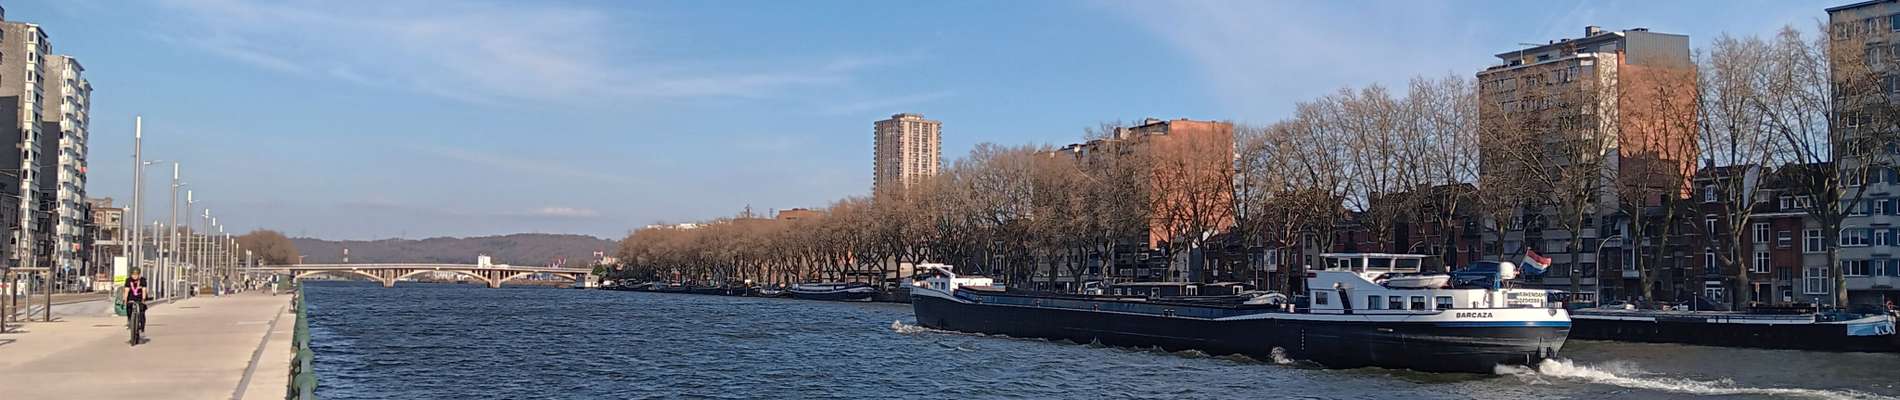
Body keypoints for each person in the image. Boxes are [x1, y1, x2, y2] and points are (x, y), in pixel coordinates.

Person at [124, 269, 149, 342]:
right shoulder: (128, 280)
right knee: (128, 307)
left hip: (140, 298)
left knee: (142, 312)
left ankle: (142, 329)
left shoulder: (142, 280)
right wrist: (125, 300)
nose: (134, 276)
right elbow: (126, 291)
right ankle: (130, 321)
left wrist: (143, 299)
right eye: (133, 274)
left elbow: (144, 290)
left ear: (139, 275)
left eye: (136, 274)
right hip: (131, 298)